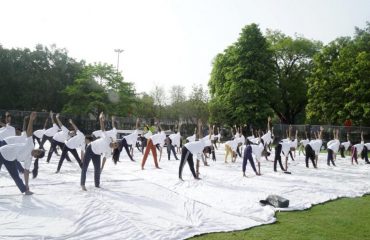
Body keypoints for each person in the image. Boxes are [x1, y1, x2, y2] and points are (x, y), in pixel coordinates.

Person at [0, 112, 45, 195]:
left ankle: (25, 190)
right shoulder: (30, 144)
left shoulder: (29, 160)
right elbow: (29, 132)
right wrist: (31, 120)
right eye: (38, 149)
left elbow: (26, 172)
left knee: (16, 176)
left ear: (36, 156)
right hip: (2, 152)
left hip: (10, 160)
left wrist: (27, 185)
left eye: (38, 152)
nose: (36, 150)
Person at [80, 112, 119, 191]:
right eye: (115, 143)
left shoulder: (109, 151)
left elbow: (104, 158)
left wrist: (102, 167)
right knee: (85, 167)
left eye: (115, 145)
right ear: (114, 141)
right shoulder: (107, 138)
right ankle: (82, 184)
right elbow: (102, 128)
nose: (114, 144)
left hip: (97, 154)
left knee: (97, 169)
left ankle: (97, 184)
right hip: (90, 148)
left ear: (114, 148)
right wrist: (100, 119)